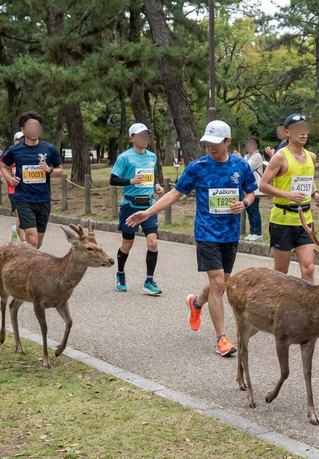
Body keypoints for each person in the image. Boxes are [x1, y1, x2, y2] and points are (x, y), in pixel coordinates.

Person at [126, 120, 257, 357]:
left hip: (230, 232)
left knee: (222, 283)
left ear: (228, 142)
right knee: (218, 283)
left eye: (216, 143)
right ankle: (221, 339)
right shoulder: (198, 167)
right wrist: (148, 212)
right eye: (207, 143)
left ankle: (196, 304)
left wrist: (245, 203)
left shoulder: (240, 166)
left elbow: (251, 191)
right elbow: (175, 193)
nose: (210, 147)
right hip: (207, 233)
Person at [259, 114, 319, 284]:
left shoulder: (311, 157)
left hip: (305, 220)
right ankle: (276, 307)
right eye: (298, 130)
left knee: (309, 267)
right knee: (282, 271)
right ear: (287, 132)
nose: (303, 133)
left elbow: (308, 180)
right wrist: (287, 195)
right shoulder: (280, 157)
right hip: (283, 220)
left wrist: (315, 194)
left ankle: (308, 308)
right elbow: (263, 185)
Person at [109, 123, 164, 295]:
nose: (144, 139)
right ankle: (120, 274)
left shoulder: (152, 157)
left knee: (153, 242)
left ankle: (149, 280)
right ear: (132, 138)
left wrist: (157, 186)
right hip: (130, 205)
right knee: (127, 243)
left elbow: (151, 176)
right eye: (140, 136)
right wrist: (131, 181)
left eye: (146, 135)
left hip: (149, 205)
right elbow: (113, 180)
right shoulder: (124, 158)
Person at [0, 111, 63, 249]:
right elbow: (3, 166)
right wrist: (10, 179)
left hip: (43, 199)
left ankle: (22, 258)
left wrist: (49, 170)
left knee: (37, 243)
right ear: (23, 129)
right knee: (32, 240)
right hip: (23, 199)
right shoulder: (15, 150)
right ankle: (27, 268)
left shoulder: (49, 149)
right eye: (30, 126)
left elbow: (60, 170)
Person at [1, 132, 26, 242]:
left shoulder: (30, 152)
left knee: (22, 216)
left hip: (29, 190)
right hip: (14, 189)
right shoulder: (10, 153)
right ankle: (25, 242)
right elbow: (1, 169)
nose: (20, 142)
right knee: (20, 214)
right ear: (14, 141)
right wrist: (10, 179)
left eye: (23, 139)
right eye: (18, 140)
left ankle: (15, 230)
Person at [243, 136, 265, 241]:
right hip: (247, 188)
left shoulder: (257, 156)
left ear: (256, 145)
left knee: (254, 210)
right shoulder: (247, 156)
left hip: (255, 189)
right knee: (249, 211)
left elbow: (247, 167)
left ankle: (258, 232)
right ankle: (252, 232)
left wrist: (238, 159)